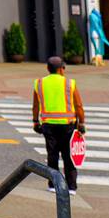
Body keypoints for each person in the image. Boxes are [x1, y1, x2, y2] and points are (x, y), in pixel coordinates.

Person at [32, 55, 86, 194]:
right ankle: (71, 187)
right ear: (61, 69)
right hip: (68, 125)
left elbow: (35, 105)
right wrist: (82, 123)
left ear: (47, 69)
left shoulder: (39, 83)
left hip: (48, 125)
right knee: (68, 155)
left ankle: (53, 185)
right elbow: (78, 105)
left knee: (52, 155)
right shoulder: (70, 83)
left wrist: (35, 121)